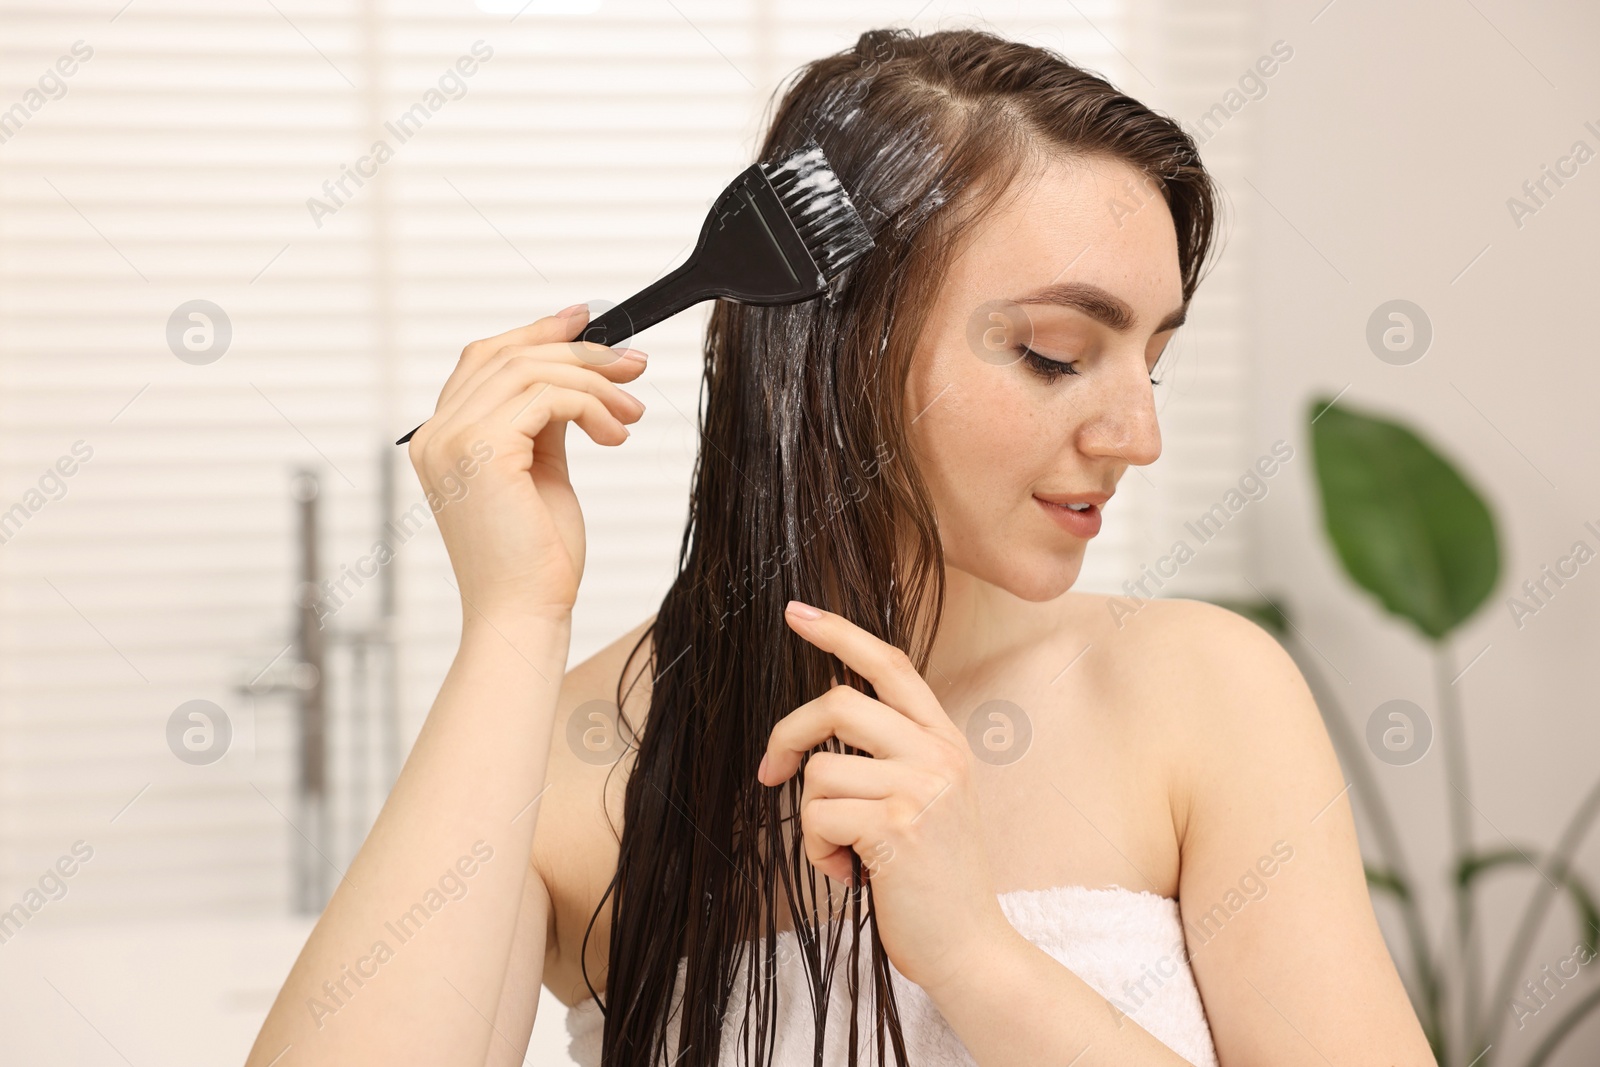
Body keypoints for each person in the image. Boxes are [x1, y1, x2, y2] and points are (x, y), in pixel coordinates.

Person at [247, 26, 1435, 1067]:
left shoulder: (1198, 692)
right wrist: (512, 617)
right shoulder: (583, 763)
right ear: (842, 343)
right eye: (1059, 353)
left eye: (1154, 357)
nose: (1139, 434)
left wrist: (978, 958)